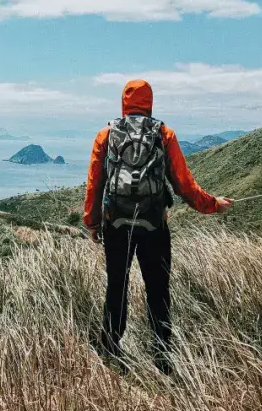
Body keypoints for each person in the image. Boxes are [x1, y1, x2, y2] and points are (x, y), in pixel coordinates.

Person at [83, 79, 233, 374]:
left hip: (117, 225)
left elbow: (94, 184)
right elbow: (184, 185)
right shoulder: (164, 133)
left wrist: (93, 222)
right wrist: (212, 204)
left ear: (124, 102)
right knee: (158, 291)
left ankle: (111, 353)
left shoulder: (106, 134)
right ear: (150, 102)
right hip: (154, 226)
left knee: (117, 287)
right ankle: (162, 359)